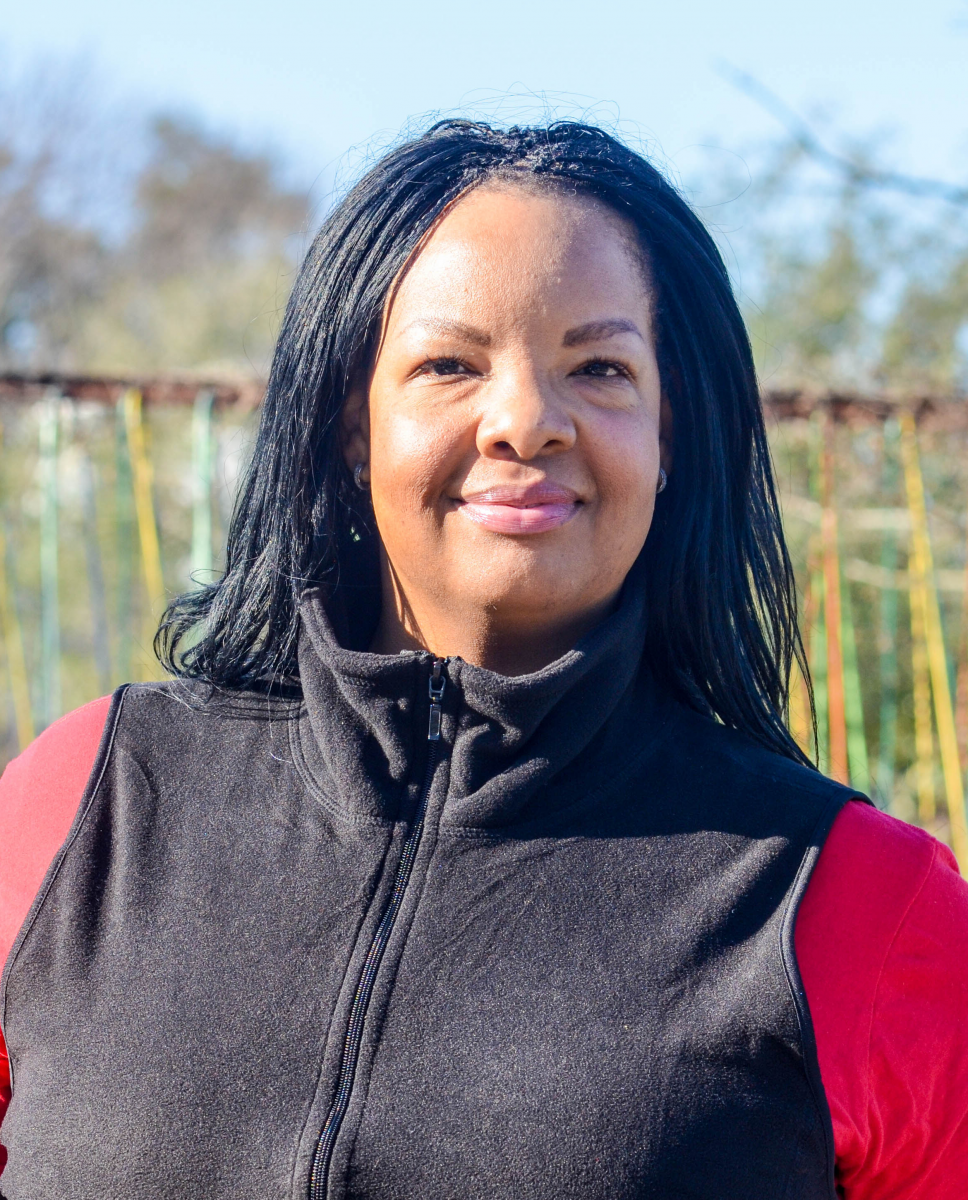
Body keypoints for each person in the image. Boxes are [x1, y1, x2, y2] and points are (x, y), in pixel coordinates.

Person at [1, 120, 966, 1200]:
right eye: (448, 364)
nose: (522, 420)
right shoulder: (81, 808)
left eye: (599, 368)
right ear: (347, 424)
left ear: (671, 438)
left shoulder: (857, 904)